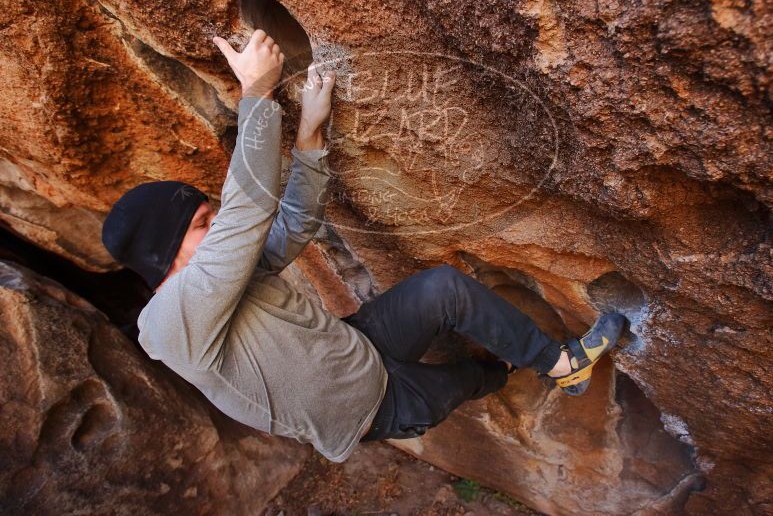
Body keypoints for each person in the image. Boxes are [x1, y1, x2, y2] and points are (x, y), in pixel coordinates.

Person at [101, 29, 625, 463]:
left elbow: (295, 224)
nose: (216, 228)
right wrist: (256, 91)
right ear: (162, 255)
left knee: (443, 288)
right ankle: (501, 373)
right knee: (473, 378)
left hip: (357, 346)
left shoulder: (226, 275)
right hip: (372, 407)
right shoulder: (169, 325)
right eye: (201, 222)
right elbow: (248, 211)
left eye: (211, 216)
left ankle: (561, 367)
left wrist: (309, 132)